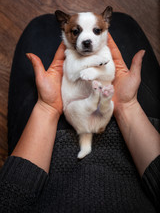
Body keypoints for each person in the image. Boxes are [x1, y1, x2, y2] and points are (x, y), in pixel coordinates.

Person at [0, 12, 159, 213]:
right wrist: (128, 106)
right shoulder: (79, 55)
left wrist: (45, 109)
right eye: (77, 32)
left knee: (38, 25)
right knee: (126, 23)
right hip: (107, 124)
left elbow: (9, 197)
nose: (86, 39)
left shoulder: (101, 54)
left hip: (53, 142)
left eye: (95, 31)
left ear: (103, 30)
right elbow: (76, 73)